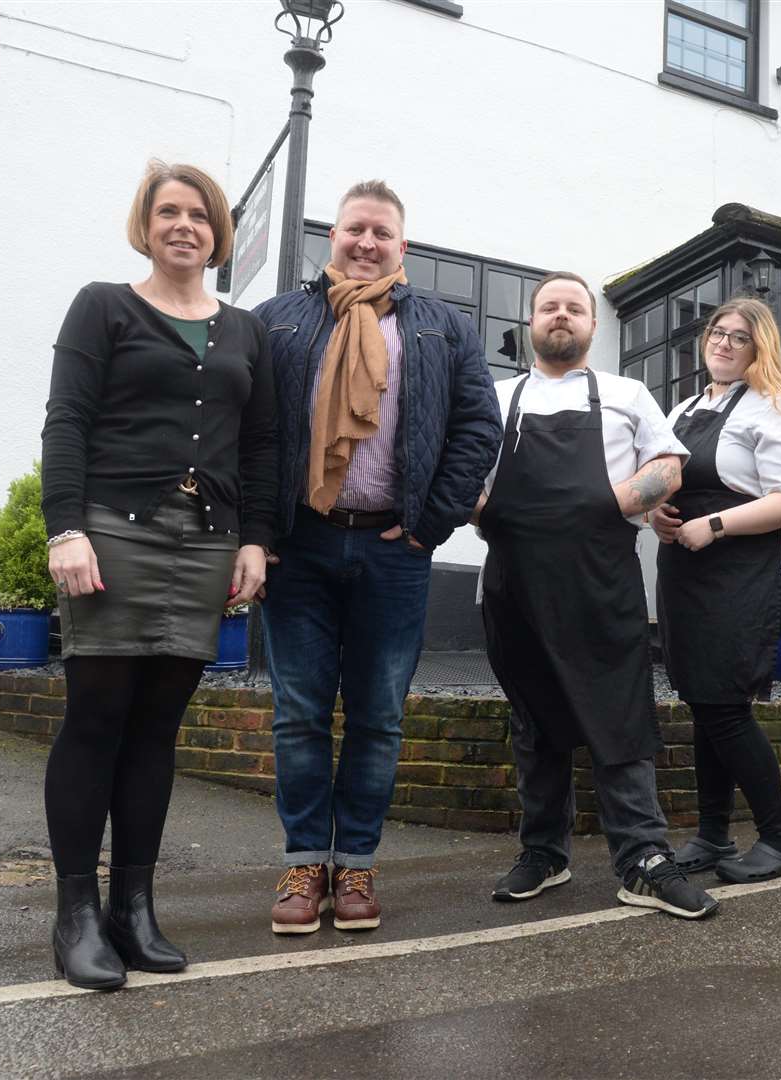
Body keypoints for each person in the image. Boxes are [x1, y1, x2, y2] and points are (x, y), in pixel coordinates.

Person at [41, 160, 276, 989]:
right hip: (113, 529)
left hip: (206, 539)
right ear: (146, 224)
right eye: (168, 212)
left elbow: (260, 448)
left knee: (157, 728)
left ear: (218, 234)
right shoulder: (103, 305)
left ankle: (132, 910)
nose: (184, 226)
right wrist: (65, 527)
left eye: (200, 215)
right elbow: (66, 419)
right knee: (96, 719)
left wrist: (256, 541)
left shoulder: (246, 330)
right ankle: (75, 916)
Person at [253, 180, 501, 934]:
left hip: (397, 547)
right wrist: (259, 533)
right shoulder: (280, 321)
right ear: (333, 236)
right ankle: (304, 863)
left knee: (378, 718)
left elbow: (478, 428)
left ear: (403, 245)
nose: (367, 243)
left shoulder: (442, 328)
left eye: (382, 233)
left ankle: (355, 862)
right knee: (297, 714)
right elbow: (253, 432)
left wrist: (432, 524)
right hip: (301, 544)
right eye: (355, 229)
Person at [479, 271, 717, 920]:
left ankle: (642, 859)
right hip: (513, 587)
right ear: (531, 322)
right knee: (535, 721)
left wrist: (609, 501)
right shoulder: (497, 398)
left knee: (619, 716)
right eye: (549, 307)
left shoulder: (625, 393)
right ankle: (544, 854)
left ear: (592, 325)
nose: (561, 316)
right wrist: (495, 514)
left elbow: (669, 466)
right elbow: (464, 476)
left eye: (574, 308)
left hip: (600, 581)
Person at [649, 297, 781, 883]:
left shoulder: (775, 409)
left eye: (738, 337)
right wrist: (658, 518)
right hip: (687, 569)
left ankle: (780, 840)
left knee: (725, 706)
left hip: (747, 570)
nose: (722, 343)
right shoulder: (683, 409)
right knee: (702, 702)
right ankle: (713, 835)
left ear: (759, 347)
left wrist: (714, 524)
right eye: (716, 333)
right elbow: (660, 482)